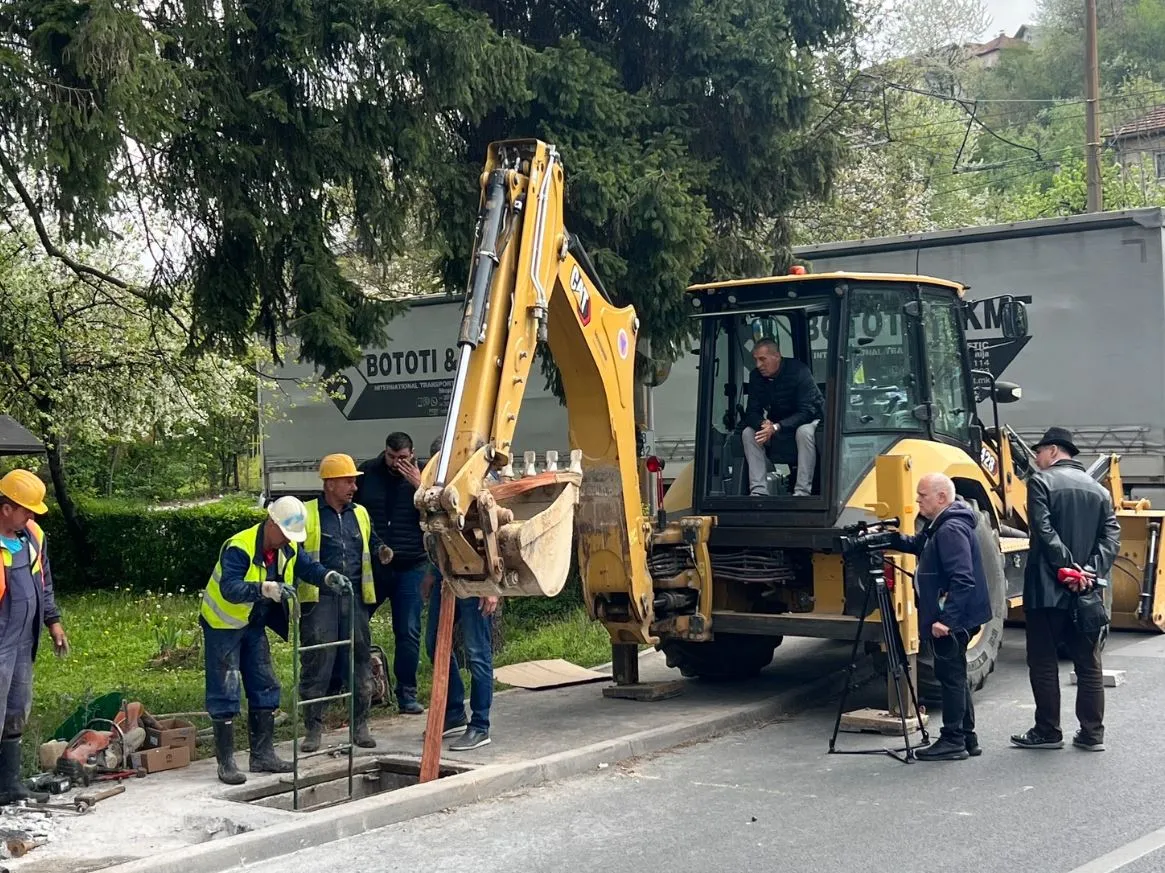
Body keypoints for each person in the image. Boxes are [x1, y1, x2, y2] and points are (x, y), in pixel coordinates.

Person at [200, 495, 344, 785]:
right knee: (225, 688)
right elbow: (229, 588)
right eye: (285, 534)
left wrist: (327, 576)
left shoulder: (287, 547)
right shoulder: (238, 547)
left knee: (264, 682)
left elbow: (307, 567)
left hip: (253, 622)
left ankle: (262, 755)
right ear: (271, 523)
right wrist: (266, 588)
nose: (287, 541)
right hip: (223, 624)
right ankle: (226, 763)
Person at [1011, 427, 1120, 752]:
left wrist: (1065, 567)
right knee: (1088, 664)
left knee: (1043, 662)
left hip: (1046, 590)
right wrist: (1087, 572)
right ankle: (1092, 734)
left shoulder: (1041, 483)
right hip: (1085, 592)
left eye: (1039, 452)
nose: (1037, 459)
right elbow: (1111, 537)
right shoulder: (1099, 491)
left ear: (1054, 451)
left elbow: (1043, 531)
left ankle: (1048, 730)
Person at [889, 473, 992, 761]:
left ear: (942, 497)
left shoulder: (950, 530)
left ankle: (953, 740)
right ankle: (967, 737)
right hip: (960, 617)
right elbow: (918, 544)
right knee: (955, 675)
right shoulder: (941, 525)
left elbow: (963, 579)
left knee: (950, 676)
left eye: (922, 495)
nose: (917, 499)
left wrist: (946, 620)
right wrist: (890, 539)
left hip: (953, 621)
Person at [298, 453, 392, 753]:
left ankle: (360, 726)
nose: (354, 486)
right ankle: (313, 729)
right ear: (330, 484)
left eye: (354, 481)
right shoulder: (309, 514)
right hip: (320, 601)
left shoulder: (360, 514)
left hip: (354, 601)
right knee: (318, 664)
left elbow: (370, 539)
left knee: (359, 663)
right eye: (348, 481)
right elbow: (296, 556)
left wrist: (381, 550)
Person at [422, 437, 498, 751]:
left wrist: (493, 587)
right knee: (434, 646)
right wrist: (431, 573)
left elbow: (497, 538)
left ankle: (480, 724)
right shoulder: (441, 488)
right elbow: (437, 536)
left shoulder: (484, 484)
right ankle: (453, 712)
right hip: (447, 575)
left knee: (477, 652)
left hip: (478, 578)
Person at [0, 470, 68, 805]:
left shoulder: (32, 536)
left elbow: (45, 582)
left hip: (23, 641)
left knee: (16, 709)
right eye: (27, 510)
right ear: (6, 508)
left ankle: (9, 785)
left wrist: (52, 621)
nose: (32, 516)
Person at [355, 432, 427, 715]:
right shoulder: (368, 473)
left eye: (403, 458)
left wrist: (420, 487)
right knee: (355, 624)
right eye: (391, 457)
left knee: (408, 631)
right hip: (374, 565)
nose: (397, 463)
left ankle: (407, 694)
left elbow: (438, 510)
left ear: (412, 453)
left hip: (411, 565)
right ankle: (355, 688)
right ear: (384, 452)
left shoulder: (424, 476)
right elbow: (354, 510)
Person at [741, 338, 825, 497]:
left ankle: (802, 492)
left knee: (804, 432)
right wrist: (763, 423)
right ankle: (759, 491)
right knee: (748, 433)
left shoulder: (799, 371)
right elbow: (751, 411)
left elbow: (807, 411)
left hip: (810, 420)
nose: (758, 365)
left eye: (763, 359)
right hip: (777, 424)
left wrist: (776, 427)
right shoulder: (756, 377)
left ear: (777, 356)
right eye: (756, 360)